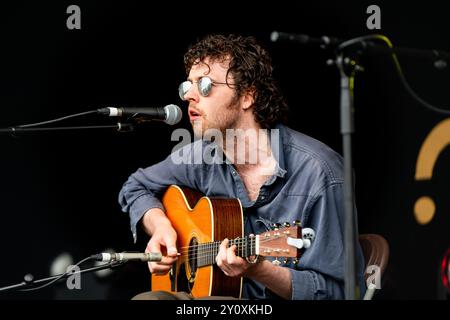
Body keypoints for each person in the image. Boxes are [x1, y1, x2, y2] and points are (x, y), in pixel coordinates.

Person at [118, 33, 366, 300]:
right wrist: (161, 227)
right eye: (186, 86)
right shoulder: (201, 157)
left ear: (247, 96)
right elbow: (136, 186)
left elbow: (342, 293)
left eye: (204, 85)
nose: (189, 95)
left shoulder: (320, 174)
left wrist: (259, 270)